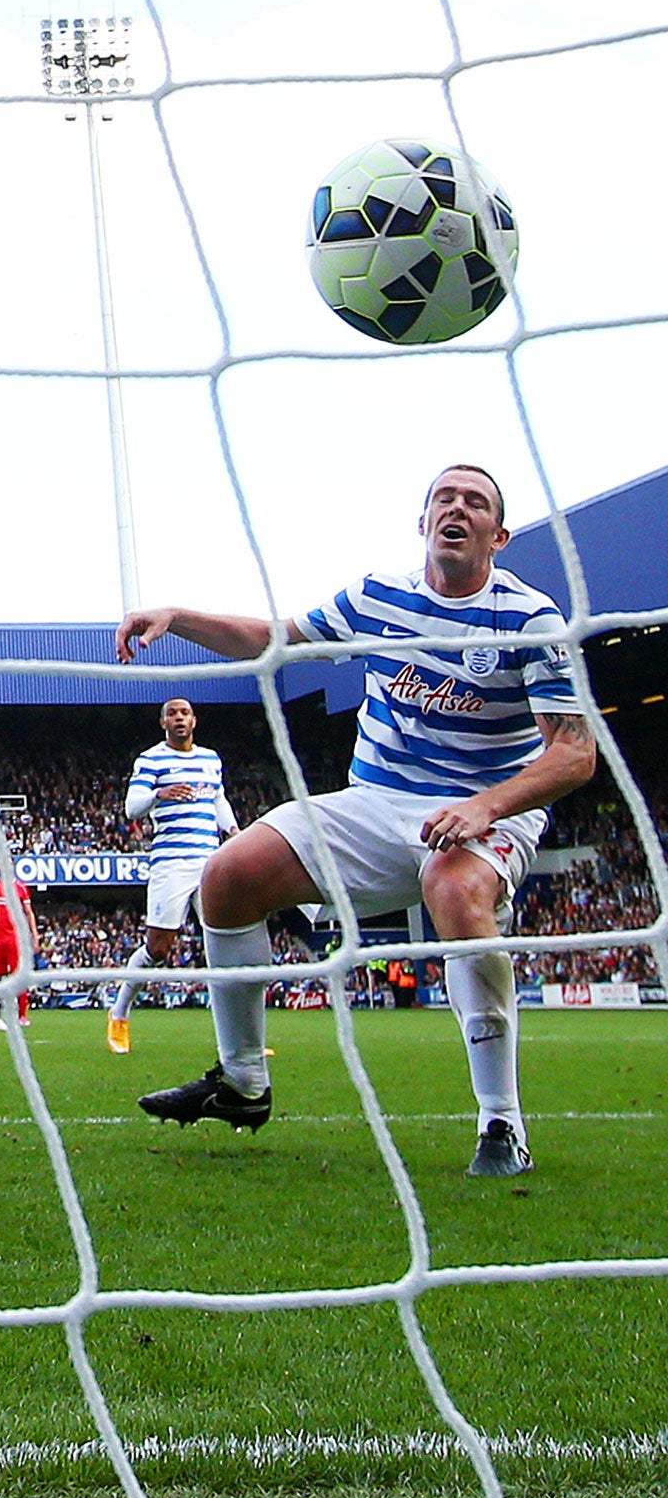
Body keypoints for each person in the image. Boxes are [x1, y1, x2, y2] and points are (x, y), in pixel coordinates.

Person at [115, 465, 595, 1176]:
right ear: (424, 521)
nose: (455, 509)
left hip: (484, 807)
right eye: (444, 498)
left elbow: (576, 752)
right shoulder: (379, 597)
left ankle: (502, 1124)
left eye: (475, 503)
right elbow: (276, 638)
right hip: (375, 804)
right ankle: (243, 1081)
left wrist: (483, 806)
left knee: (456, 891)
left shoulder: (531, 619)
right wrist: (179, 618)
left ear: (499, 534)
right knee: (227, 876)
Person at [103, 697, 237, 1054]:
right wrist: (159, 793)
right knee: (158, 950)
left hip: (210, 862)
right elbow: (132, 807)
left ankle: (239, 1040)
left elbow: (217, 799)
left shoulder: (210, 759)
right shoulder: (151, 760)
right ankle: (119, 1014)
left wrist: (235, 832)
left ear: (194, 720)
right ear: (163, 723)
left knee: (224, 945)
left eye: (184, 713)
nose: (179, 719)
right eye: (172, 714)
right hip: (171, 864)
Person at [0, 864, 39, 1028]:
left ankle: (22, 1015)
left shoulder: (20, 887)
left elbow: (28, 912)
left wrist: (34, 935)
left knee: (18, 975)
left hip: (14, 938)